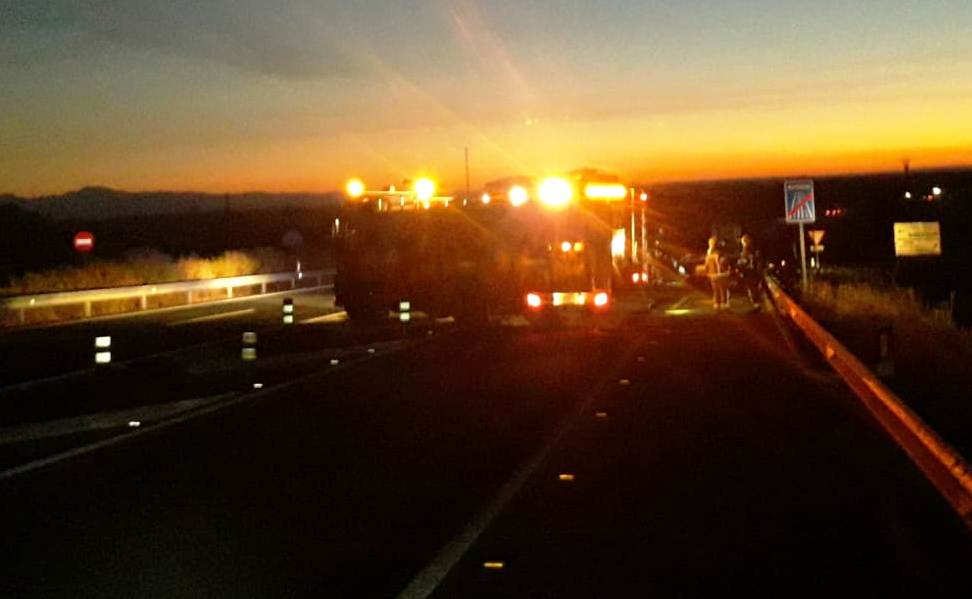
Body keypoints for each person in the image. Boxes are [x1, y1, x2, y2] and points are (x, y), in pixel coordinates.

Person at [736, 233, 763, 307]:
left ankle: (756, 304)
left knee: (752, 288)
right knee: (754, 287)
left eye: (743, 241)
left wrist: (739, 265)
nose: (742, 243)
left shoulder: (746, 250)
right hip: (754, 272)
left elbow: (744, 261)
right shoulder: (753, 249)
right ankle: (757, 303)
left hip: (749, 272)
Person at [704, 236, 729, 309]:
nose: (711, 243)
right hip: (712, 272)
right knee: (715, 288)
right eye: (710, 242)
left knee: (722, 287)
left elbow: (720, 261)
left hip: (719, 272)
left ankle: (724, 302)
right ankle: (717, 302)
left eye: (712, 242)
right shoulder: (708, 251)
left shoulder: (718, 251)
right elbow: (707, 261)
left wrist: (720, 270)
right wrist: (707, 269)